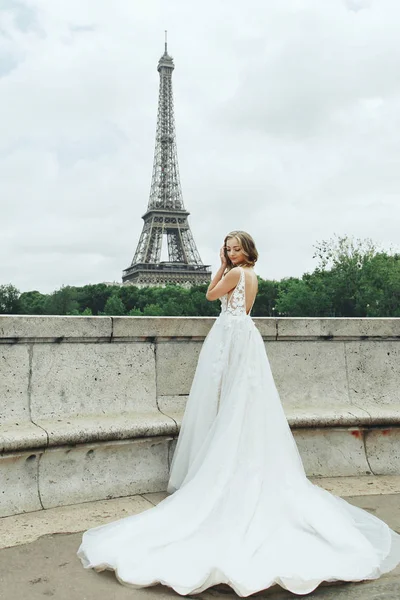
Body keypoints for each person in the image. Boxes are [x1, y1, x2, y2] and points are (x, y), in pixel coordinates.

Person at [77, 231, 400, 596]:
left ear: (246, 251)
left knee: (226, 404)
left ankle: (221, 470)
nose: (230, 253)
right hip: (244, 337)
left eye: (235, 248)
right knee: (242, 406)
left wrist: (217, 266)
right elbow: (240, 309)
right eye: (227, 249)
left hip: (230, 339)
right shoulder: (253, 276)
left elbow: (210, 295)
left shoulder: (233, 273)